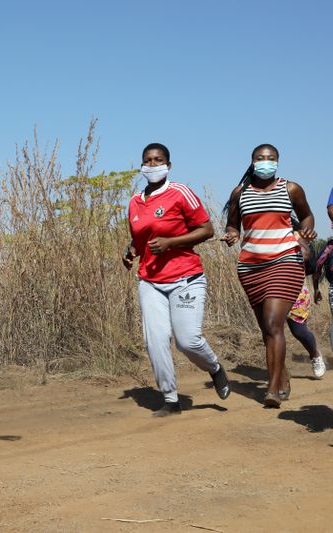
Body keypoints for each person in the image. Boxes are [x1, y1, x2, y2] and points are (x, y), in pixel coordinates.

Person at [123, 143, 230, 417]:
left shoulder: (180, 193)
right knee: (155, 339)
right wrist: (131, 251)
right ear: (142, 165)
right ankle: (170, 400)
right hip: (150, 280)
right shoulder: (135, 202)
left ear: (168, 165)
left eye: (158, 160)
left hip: (185, 277)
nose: (153, 164)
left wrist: (171, 242)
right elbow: (139, 239)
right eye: (148, 160)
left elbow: (207, 229)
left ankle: (214, 367)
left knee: (187, 341)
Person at [222, 144, 316, 408]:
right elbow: (232, 223)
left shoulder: (291, 189)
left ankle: (272, 389)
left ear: (278, 162)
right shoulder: (240, 193)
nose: (266, 162)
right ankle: (282, 376)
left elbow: (306, 216)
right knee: (267, 328)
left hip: (285, 260)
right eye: (260, 158)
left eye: (271, 158)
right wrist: (232, 234)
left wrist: (306, 231)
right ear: (252, 162)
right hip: (250, 267)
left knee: (274, 323)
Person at [286, 221, 325, 378]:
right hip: (270, 290)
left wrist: (316, 289)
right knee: (270, 329)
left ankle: (315, 355)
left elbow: (311, 263)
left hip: (295, 291)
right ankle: (277, 371)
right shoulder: (260, 235)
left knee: (299, 331)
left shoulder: (296, 236)